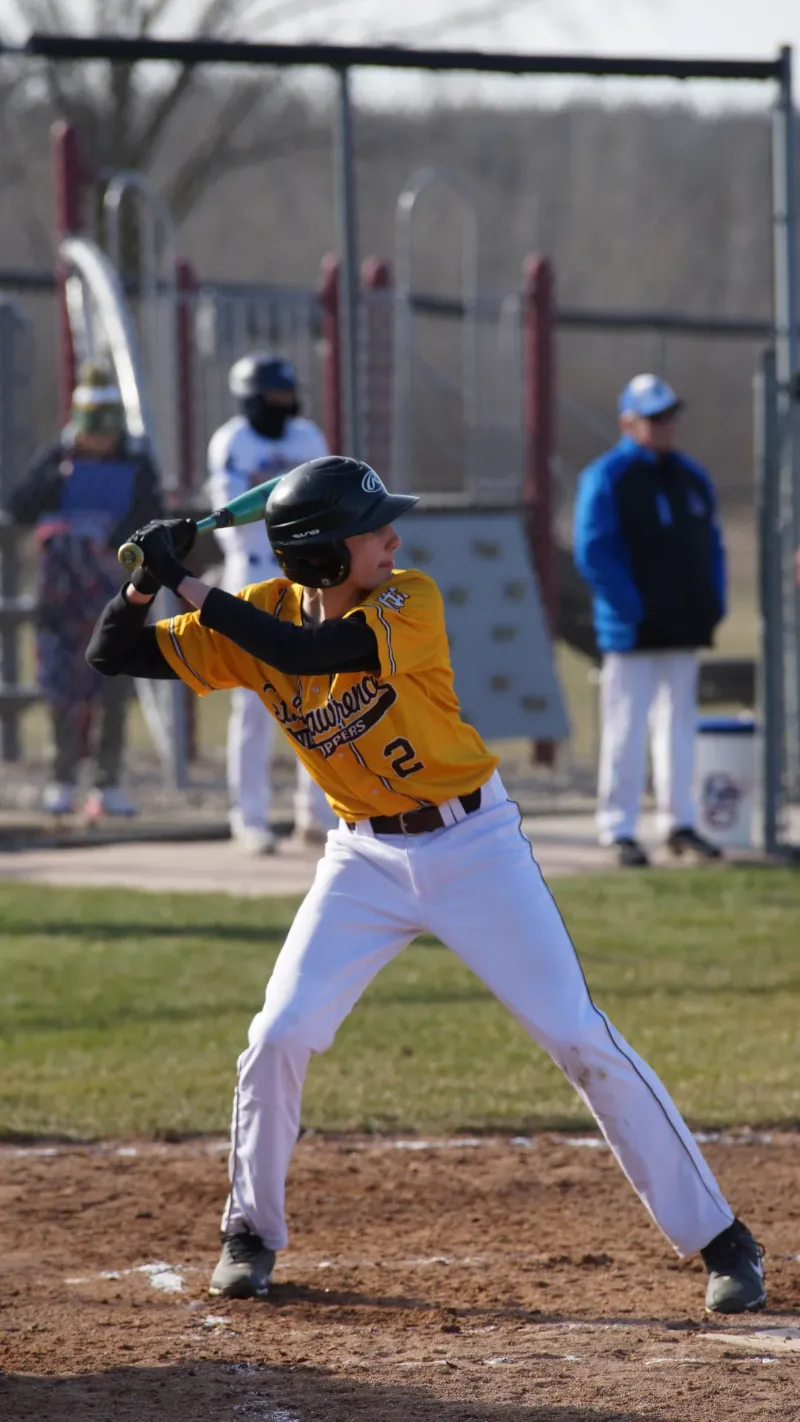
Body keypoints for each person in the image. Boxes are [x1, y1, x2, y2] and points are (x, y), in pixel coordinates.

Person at [87, 455, 765, 1316]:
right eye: (372, 531)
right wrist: (149, 583)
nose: (392, 539)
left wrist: (186, 577)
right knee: (279, 1033)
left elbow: (307, 650)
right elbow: (110, 652)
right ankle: (249, 1233)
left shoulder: (409, 598)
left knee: (578, 1035)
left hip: (474, 845)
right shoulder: (253, 612)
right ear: (324, 556)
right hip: (362, 859)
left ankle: (722, 1240)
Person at [573, 374, 727, 869]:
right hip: (633, 628)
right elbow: (593, 550)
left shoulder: (690, 476)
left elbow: (712, 546)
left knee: (680, 724)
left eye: (668, 417)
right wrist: (632, 608)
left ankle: (679, 821)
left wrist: (712, 602)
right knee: (626, 726)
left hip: (683, 625)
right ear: (628, 422)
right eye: (653, 418)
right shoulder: (609, 475)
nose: (664, 427)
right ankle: (618, 827)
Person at [8, 358, 161, 817]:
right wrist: (58, 480)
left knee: (114, 688)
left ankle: (108, 781)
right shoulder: (58, 460)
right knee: (61, 689)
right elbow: (19, 508)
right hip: (61, 599)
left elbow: (150, 524)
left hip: (115, 595)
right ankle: (62, 777)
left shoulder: (137, 465)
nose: (97, 441)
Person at [206, 351, 333, 853]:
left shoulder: (308, 438)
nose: (281, 405)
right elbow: (236, 521)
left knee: (322, 697)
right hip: (254, 579)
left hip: (308, 579)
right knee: (257, 704)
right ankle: (250, 816)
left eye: (286, 395)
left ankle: (317, 815)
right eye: (271, 397)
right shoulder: (232, 440)